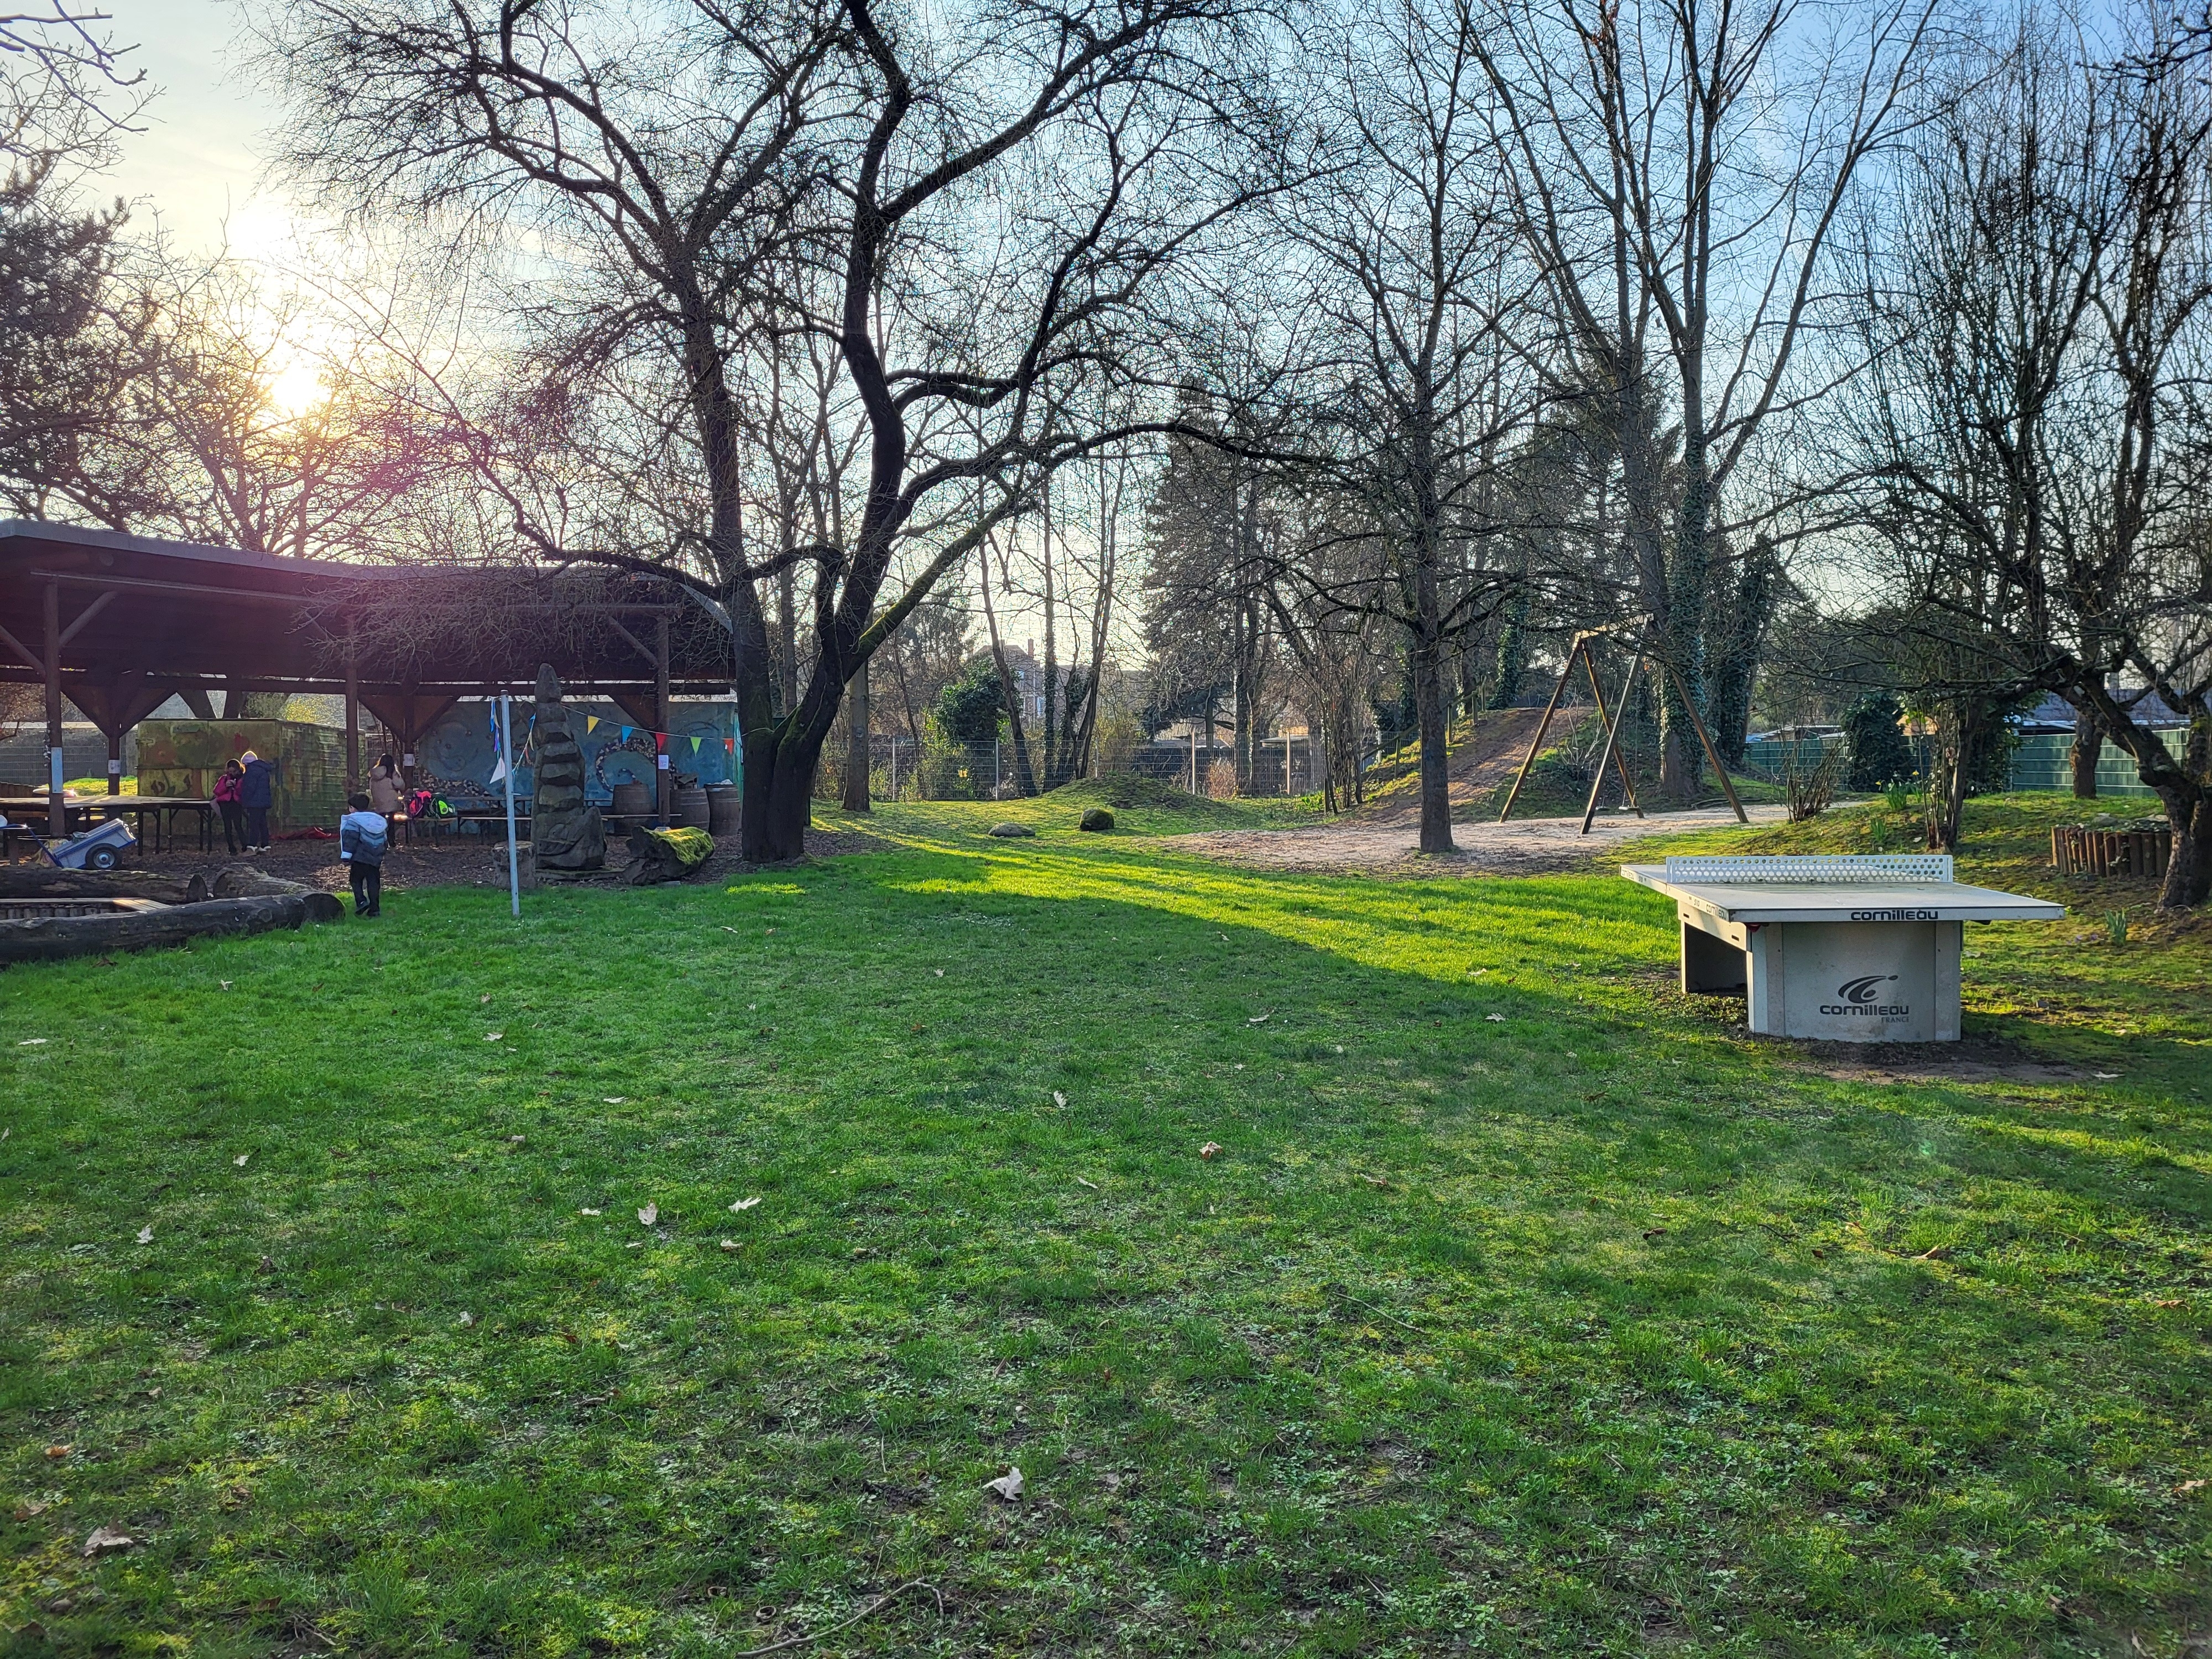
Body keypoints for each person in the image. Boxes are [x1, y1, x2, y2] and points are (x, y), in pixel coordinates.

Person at [339, 791, 388, 916]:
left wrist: (346, 857)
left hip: (360, 858)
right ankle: (375, 909)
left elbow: (350, 840)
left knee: (356, 880)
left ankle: (361, 901)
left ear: (353, 808)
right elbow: (385, 840)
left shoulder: (353, 821)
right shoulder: (378, 821)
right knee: (373, 883)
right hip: (375, 858)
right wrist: (381, 853)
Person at [238, 749, 274, 853]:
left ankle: (252, 846)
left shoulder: (251, 772)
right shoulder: (263, 770)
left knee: (253, 825)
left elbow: (249, 788)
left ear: (246, 764)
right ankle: (265, 845)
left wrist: (244, 801)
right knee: (262, 823)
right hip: (263, 801)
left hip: (254, 802)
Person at [213, 759, 247, 854]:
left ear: (238, 769)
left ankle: (244, 846)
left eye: (234, 771)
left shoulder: (242, 779)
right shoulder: (224, 779)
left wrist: (236, 786)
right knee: (228, 827)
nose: (232, 774)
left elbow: (243, 792)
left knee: (238, 825)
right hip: (226, 805)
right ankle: (231, 848)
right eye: (230, 771)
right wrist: (226, 787)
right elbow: (217, 791)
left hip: (236, 804)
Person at [367, 752, 404, 820]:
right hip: (392, 805)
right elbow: (400, 784)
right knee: (392, 820)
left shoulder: (374, 775)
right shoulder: (392, 773)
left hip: (378, 805)